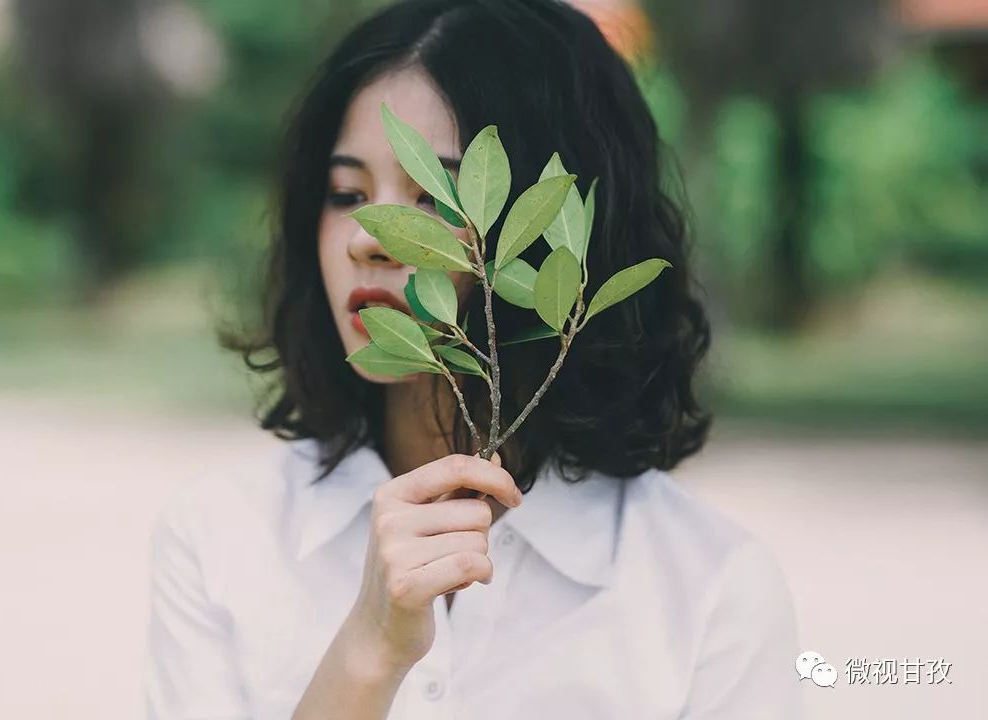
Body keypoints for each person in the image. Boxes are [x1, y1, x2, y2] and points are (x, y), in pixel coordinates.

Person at [143, 1, 805, 718]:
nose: (371, 235)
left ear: (558, 236)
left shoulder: (708, 587)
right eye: (347, 194)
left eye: (437, 194)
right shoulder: (221, 540)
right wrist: (368, 656)